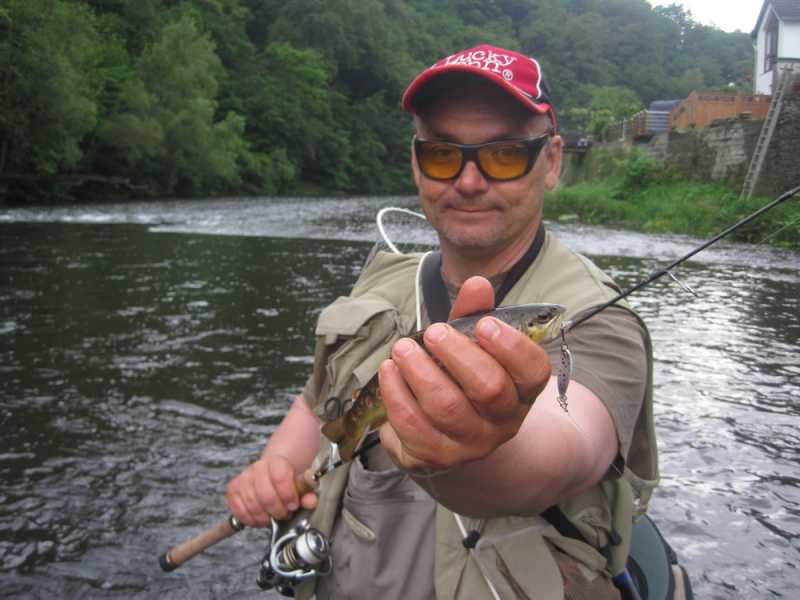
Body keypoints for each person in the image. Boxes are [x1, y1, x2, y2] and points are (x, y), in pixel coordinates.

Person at [226, 44, 658, 599]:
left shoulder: (598, 319)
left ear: (551, 162)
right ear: (416, 162)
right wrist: (275, 466)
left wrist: (472, 450)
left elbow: (563, 451)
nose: (469, 180)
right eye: (441, 154)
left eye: (504, 154)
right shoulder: (379, 282)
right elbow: (319, 403)